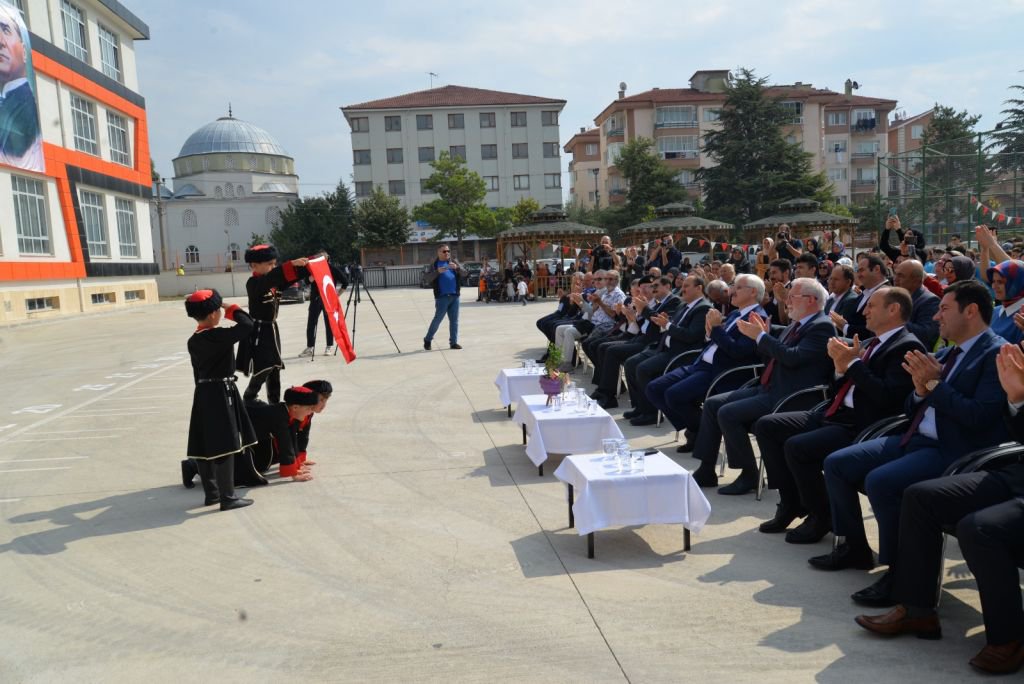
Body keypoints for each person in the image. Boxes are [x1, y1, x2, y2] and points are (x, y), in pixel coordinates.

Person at [813, 280, 1009, 610]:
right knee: (838, 463)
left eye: (944, 309)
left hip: (953, 450)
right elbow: (908, 405)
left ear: (971, 311)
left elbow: (979, 417)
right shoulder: (948, 352)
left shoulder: (996, 354)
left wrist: (933, 386)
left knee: (881, 481)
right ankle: (854, 547)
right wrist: (920, 390)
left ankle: (899, 572)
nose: (935, 317)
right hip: (913, 437)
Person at [854, 343, 1024, 675]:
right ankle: (918, 610)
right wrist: (1018, 401)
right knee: (921, 496)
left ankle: (1009, 637)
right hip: (1015, 476)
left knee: (979, 527)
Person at [752, 287, 924, 542]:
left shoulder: (906, 346)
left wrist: (852, 364)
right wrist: (841, 369)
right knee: (767, 426)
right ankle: (791, 503)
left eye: (871, 306)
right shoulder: (872, 342)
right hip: (836, 412)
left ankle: (821, 516)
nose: (864, 312)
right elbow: (841, 387)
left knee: (798, 447)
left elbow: (888, 397)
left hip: (862, 424)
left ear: (893, 309)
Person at [691, 278, 836, 493]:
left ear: (811, 300)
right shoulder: (797, 324)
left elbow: (793, 357)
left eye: (792, 297)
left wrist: (760, 336)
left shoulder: (822, 326)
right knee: (713, 404)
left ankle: (749, 474)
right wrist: (762, 335)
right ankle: (706, 468)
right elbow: (773, 355)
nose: (787, 301)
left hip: (792, 394)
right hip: (770, 387)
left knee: (728, 413)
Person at [644, 274, 768, 445]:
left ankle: (699, 433)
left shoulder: (757, 318)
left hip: (720, 371)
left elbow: (737, 351)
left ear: (753, 292)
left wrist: (716, 329)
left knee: (673, 395)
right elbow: (717, 339)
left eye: (738, 287)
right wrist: (711, 332)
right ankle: (699, 428)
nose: (732, 291)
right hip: (701, 363)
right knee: (654, 388)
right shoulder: (735, 313)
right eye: (733, 286)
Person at [181, 289, 258, 511]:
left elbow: (197, 373)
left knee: (206, 443)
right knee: (226, 443)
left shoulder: (194, 340)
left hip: (203, 391)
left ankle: (212, 494)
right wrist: (230, 307)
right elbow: (247, 325)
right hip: (221, 392)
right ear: (213, 314)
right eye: (218, 310)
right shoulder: (217, 335)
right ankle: (228, 497)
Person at [592, 276, 681, 409]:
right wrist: (632, 315)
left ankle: (609, 395)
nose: (652, 289)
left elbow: (660, 323)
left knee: (612, 351)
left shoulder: (673, 301)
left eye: (654, 286)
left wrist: (642, 310)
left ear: (668, 286)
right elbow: (641, 325)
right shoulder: (658, 302)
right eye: (650, 286)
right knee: (603, 347)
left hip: (651, 342)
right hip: (640, 337)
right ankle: (605, 391)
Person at [237, 245, 309, 404]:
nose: (273, 266)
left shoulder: (274, 281)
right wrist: (290, 264)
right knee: (265, 366)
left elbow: (290, 277)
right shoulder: (253, 283)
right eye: (269, 263)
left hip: (272, 329)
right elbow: (271, 278)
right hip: (259, 331)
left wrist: (310, 265)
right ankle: (249, 399)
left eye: (274, 263)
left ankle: (274, 403)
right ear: (254, 265)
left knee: (275, 368)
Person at [242, 387, 319, 485]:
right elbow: (285, 445)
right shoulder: (279, 417)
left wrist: (297, 465)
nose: (310, 412)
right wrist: (293, 474)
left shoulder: (286, 412)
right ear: (295, 407)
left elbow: (292, 441)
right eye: (308, 408)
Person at [0, 5, 42, 170]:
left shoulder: (25, 109)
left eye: (5, 30)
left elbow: (16, 150)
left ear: (25, 52)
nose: (0, 42)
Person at [829, 254, 888, 339]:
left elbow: (874, 330)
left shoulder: (885, 294)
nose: (858, 275)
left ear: (876, 269)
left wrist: (845, 327)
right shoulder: (863, 293)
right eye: (857, 271)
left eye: (861, 270)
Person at [300, 255, 349, 357]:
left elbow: (345, 282)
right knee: (311, 324)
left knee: (329, 324)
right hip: (315, 299)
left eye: (321, 258)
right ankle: (310, 347)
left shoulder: (333, 269)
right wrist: (311, 278)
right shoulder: (313, 268)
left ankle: (329, 347)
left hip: (328, 300)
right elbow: (306, 281)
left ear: (327, 259)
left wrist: (337, 295)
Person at [423, 244, 466, 350]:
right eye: (444, 251)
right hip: (442, 297)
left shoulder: (454, 262)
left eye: (448, 251)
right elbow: (427, 278)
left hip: (454, 296)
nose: (447, 253)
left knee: (454, 321)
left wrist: (457, 268)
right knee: (437, 320)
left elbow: (465, 273)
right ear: (438, 253)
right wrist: (437, 272)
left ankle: (453, 343)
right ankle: (428, 339)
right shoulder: (434, 264)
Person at [892, 259, 941, 349]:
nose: (895, 279)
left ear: (916, 280)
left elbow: (927, 334)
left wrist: (894, 320)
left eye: (901, 276)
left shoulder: (930, 301)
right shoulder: (894, 296)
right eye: (895, 274)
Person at [295, 379, 332, 469]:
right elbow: (286, 440)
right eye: (321, 400)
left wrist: (301, 459)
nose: (324, 405)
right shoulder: (296, 412)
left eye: (326, 400)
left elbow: (303, 436)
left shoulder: (309, 413)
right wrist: (294, 465)